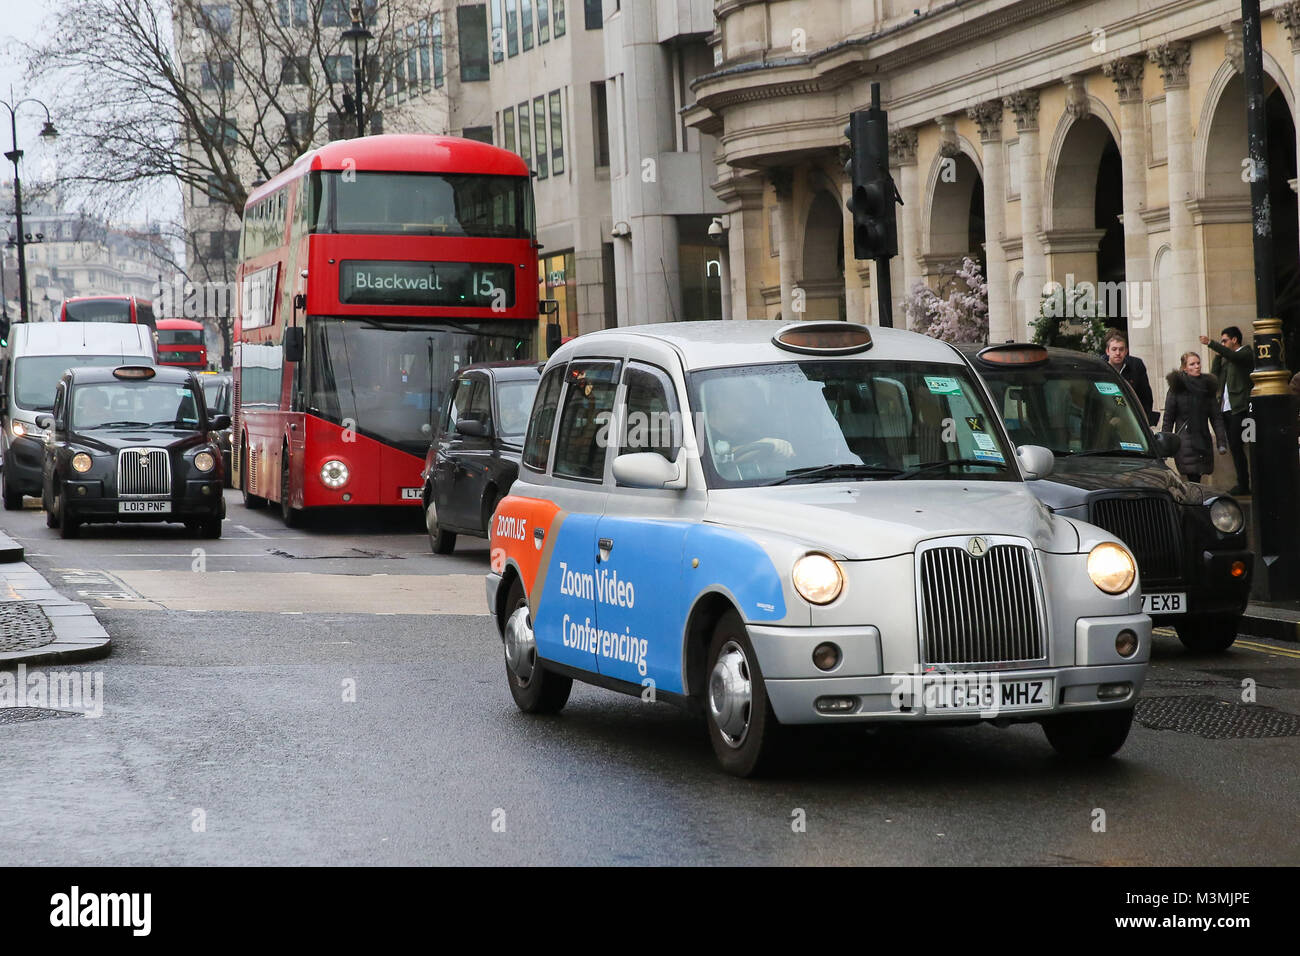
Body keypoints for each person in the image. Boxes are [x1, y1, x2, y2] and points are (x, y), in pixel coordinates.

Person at [1200, 326, 1255, 495]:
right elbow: (1214, 377)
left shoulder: (1245, 353)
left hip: (1242, 408)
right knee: (1235, 447)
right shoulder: (1227, 358)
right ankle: (1243, 483)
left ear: (1234, 340)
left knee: (1246, 446)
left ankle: (1248, 484)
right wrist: (1218, 356)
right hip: (1227, 409)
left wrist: (1211, 343)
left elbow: (1235, 356)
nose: (1222, 344)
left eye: (1224, 340)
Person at [1161, 352, 1227, 484]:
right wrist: (1165, 445)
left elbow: (1216, 417)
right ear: (1185, 368)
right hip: (1185, 439)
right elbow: (1168, 418)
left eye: (1198, 363)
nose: (1197, 366)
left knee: (1198, 476)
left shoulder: (1207, 387)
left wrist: (1221, 441)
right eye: (1192, 364)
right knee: (1193, 476)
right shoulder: (1177, 388)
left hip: (1203, 437)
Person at [1101, 328, 1157, 426]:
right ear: (1107, 351)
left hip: (1132, 419)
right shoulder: (1100, 367)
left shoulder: (1136, 366)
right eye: (1114, 349)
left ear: (1126, 351)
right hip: (1106, 419)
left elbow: (1146, 397)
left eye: (1121, 349)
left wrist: (1143, 422)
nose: (1118, 353)